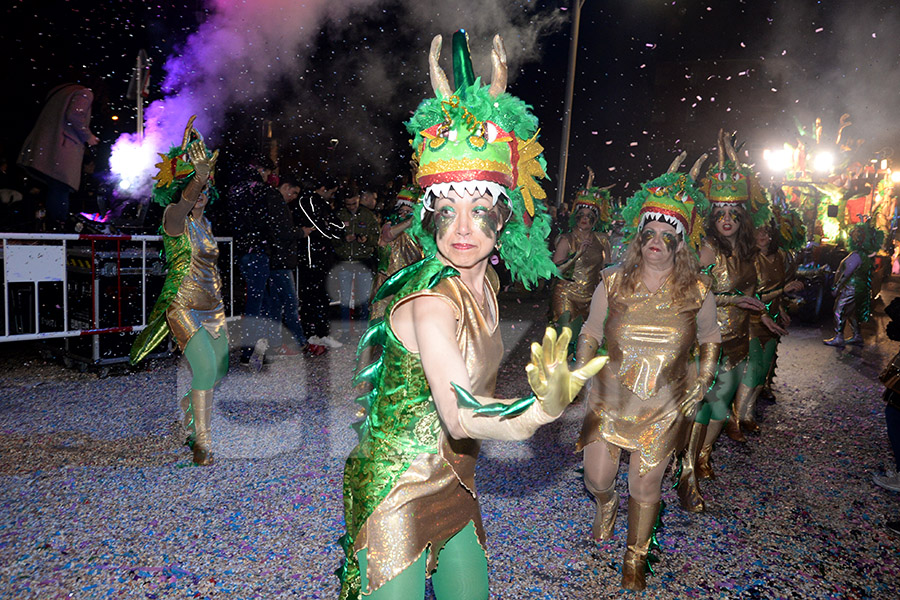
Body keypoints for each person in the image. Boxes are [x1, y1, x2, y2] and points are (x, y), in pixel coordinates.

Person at [338, 32, 607, 600]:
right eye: (447, 210)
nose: (463, 231)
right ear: (428, 216)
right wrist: (540, 410)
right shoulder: (431, 301)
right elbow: (460, 417)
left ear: (504, 219)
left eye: (480, 212)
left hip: (456, 477)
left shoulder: (487, 282)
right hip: (397, 488)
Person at [576, 153, 719, 591]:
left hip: (663, 403)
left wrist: (702, 382)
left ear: (680, 242)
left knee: (646, 482)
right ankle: (606, 503)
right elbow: (590, 330)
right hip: (611, 397)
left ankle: (635, 557)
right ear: (640, 238)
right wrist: (580, 371)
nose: (657, 240)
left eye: (667, 234)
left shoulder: (698, 290)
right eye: (650, 233)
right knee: (596, 477)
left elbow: (711, 337)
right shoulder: (613, 281)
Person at [681, 130, 782, 501]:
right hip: (708, 340)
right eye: (720, 213)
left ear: (743, 219)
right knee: (703, 407)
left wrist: (764, 317)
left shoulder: (745, 254)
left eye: (733, 214)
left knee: (722, 409)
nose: (726, 219)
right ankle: (688, 463)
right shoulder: (707, 251)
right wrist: (733, 303)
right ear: (712, 217)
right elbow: (694, 297)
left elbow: (750, 295)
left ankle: (703, 455)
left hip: (738, 339)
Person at [130, 116, 224, 466]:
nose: (199, 196)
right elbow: (185, 202)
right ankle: (202, 443)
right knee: (203, 370)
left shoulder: (206, 223)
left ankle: (188, 416)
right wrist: (197, 175)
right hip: (182, 304)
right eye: (193, 188)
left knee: (215, 370)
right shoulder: (174, 216)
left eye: (203, 189)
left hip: (211, 306)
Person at [729, 204, 805, 441]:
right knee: (751, 371)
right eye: (759, 232)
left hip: (770, 321)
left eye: (767, 233)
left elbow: (775, 292)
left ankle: (749, 416)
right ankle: (737, 419)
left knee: (762, 372)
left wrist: (781, 308)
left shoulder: (780, 257)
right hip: (749, 321)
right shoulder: (746, 260)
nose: (764, 237)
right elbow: (751, 296)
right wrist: (783, 290)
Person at [17, 83, 100, 231]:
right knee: (61, 187)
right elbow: (75, 114)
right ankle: (58, 227)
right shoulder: (85, 92)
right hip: (63, 148)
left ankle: (53, 225)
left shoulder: (61, 91)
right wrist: (88, 136)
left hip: (48, 147)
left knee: (56, 187)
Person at [265, 173, 326, 356]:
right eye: (293, 192)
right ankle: (301, 342)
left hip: (276, 261)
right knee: (290, 304)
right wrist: (301, 232)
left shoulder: (271, 201)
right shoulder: (277, 203)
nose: (293, 197)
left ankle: (277, 343)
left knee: (276, 305)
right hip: (281, 262)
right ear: (285, 187)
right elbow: (282, 231)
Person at [549, 167, 612, 326]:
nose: (585, 219)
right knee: (565, 337)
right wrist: (577, 254)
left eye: (589, 216)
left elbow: (608, 271)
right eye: (581, 215)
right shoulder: (566, 239)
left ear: (596, 219)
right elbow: (556, 271)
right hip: (566, 295)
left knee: (586, 342)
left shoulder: (602, 240)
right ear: (575, 216)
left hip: (591, 297)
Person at [228, 155, 276, 368]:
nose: (267, 176)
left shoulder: (235, 190)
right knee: (257, 302)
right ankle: (249, 350)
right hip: (257, 249)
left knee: (258, 300)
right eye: (266, 171)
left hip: (243, 250)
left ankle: (256, 347)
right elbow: (267, 220)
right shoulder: (260, 191)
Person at [295, 177, 345, 349]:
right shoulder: (306, 200)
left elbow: (338, 227)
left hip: (323, 257)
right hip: (310, 258)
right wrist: (328, 230)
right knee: (311, 297)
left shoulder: (322, 204)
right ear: (323, 187)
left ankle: (321, 333)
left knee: (322, 296)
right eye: (331, 192)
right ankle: (312, 333)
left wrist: (329, 230)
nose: (332, 196)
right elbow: (317, 225)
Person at [368, 184, 425, 322]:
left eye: (409, 211)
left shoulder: (419, 232)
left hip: (409, 284)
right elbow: (387, 236)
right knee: (381, 322)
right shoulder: (389, 226)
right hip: (386, 283)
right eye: (402, 210)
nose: (404, 214)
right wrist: (409, 220)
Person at [824, 220, 884, 347]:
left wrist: (836, 287)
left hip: (851, 288)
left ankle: (839, 336)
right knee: (852, 312)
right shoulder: (865, 256)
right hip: (861, 289)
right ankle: (857, 335)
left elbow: (846, 274)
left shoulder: (856, 256)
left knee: (839, 310)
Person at [333, 189, 380, 340]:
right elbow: (331, 237)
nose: (352, 206)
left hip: (363, 261)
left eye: (354, 203)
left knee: (364, 299)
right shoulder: (339, 215)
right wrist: (342, 240)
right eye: (348, 204)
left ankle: (363, 332)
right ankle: (346, 333)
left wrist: (366, 240)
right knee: (345, 300)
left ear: (359, 199)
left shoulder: (367, 215)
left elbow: (377, 237)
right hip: (344, 262)